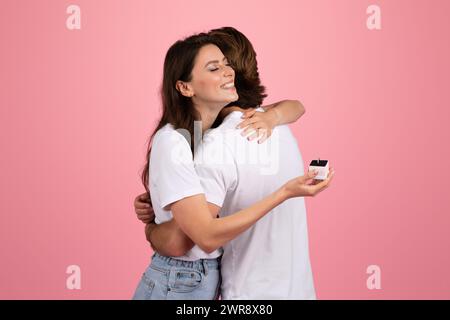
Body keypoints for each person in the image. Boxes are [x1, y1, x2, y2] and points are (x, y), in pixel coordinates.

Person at [133, 30, 334, 300]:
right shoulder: (278, 128)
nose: (226, 73)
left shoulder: (218, 142)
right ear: (185, 86)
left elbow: (186, 238)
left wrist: (153, 224)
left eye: (225, 64)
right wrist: (162, 206)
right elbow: (194, 233)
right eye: (215, 67)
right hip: (297, 290)